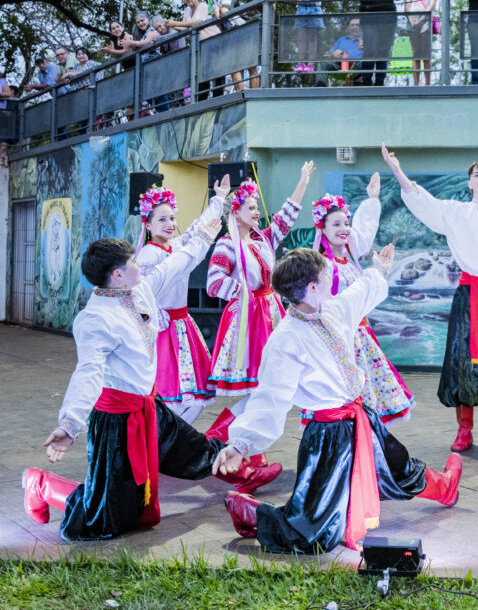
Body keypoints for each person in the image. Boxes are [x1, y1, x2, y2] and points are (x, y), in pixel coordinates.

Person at [21, 231, 280, 541]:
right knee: (104, 517)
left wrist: (213, 216)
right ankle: (41, 484)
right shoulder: (95, 320)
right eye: (132, 262)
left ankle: (245, 473)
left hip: (150, 409)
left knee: (198, 452)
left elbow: (178, 263)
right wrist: (69, 424)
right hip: (117, 422)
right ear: (116, 275)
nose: (139, 265)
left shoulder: (139, 289)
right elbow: (87, 372)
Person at [213, 246, 462, 552]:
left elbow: (361, 291)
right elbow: (270, 398)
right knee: (314, 523)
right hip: (328, 437)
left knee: (398, 464)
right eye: (325, 274)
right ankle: (254, 513)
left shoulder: (331, 309)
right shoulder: (286, 339)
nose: (332, 278)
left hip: (361, 418)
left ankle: (446, 488)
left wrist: (378, 269)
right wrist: (241, 444)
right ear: (312, 287)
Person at [382, 144, 478, 451]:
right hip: (470, 293)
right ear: (469, 182)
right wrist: (397, 170)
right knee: (466, 362)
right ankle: (464, 430)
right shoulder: (455, 212)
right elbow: (422, 201)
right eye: (477, 174)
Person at [205, 162, 316, 464]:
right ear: (235, 212)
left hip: (272, 314)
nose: (256, 212)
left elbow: (287, 216)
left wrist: (303, 180)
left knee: (265, 386)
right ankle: (244, 449)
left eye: (256, 207)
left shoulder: (263, 238)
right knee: (259, 386)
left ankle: (227, 439)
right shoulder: (227, 245)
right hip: (249, 322)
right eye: (250, 208)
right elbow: (213, 284)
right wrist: (244, 294)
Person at [308, 181, 414, 424]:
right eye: (336, 224)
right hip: (339, 340)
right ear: (322, 229)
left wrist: (372, 199)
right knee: (344, 398)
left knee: (368, 397)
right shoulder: (320, 266)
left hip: (362, 336)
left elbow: (364, 231)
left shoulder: (350, 260)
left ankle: (368, 443)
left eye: (346, 223)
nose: (344, 228)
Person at [135, 177, 231, 423]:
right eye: (162, 219)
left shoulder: (176, 246)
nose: (170, 224)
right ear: (147, 224)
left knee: (194, 396)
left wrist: (218, 199)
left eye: (172, 218)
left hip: (183, 326)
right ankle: (163, 441)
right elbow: (140, 294)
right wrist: (157, 312)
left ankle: (174, 440)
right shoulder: (148, 255)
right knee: (170, 395)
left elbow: (198, 229)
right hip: (163, 330)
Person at [348, 0, 401, 86]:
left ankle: (379, 83)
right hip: (368, 19)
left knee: (383, 50)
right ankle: (366, 82)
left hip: (387, 20)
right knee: (370, 50)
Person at [208, 0, 259, 92]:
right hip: (229, 32)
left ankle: (254, 95)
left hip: (243, 29)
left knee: (251, 65)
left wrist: (218, 11)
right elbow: (212, 14)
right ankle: (241, 96)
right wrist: (216, 12)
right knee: (234, 66)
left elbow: (225, 11)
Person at [167, 0, 222, 99]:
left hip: (213, 42)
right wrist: (171, 26)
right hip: (200, 46)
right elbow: (187, 28)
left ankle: (218, 99)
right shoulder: (187, 10)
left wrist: (176, 23)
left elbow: (197, 22)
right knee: (201, 73)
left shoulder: (203, 6)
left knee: (217, 72)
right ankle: (201, 101)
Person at [405, 0, 441, 86]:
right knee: (415, 53)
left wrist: (421, 19)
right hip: (412, 19)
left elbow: (432, 4)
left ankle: (427, 84)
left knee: (426, 53)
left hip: (426, 19)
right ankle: (415, 84)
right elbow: (407, 5)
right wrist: (411, 19)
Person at [287, 0, 327, 74]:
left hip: (314, 9)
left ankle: (311, 64)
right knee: (301, 38)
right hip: (301, 10)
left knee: (312, 38)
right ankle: (300, 63)